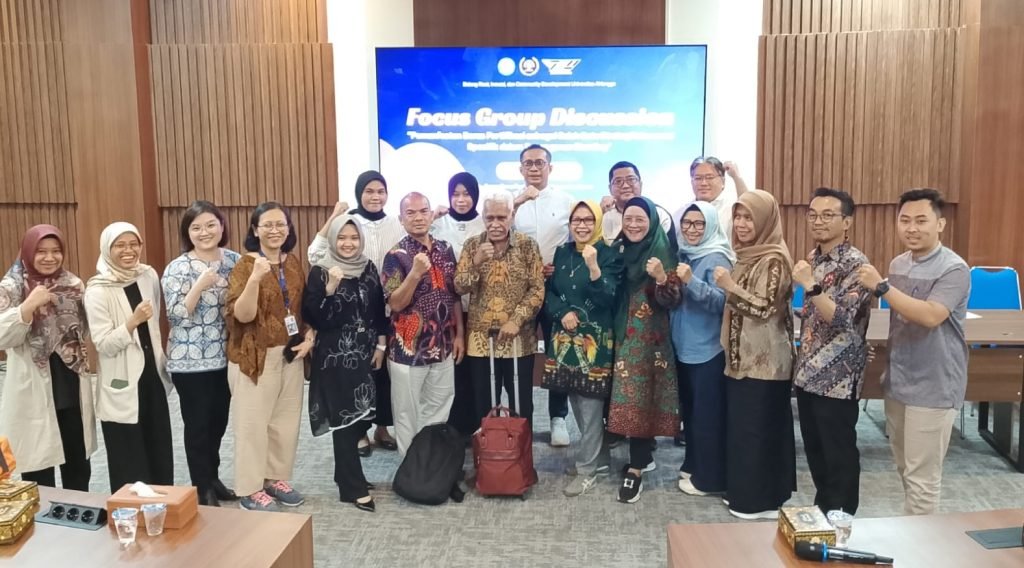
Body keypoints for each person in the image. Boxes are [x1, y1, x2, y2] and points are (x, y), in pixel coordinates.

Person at [856, 188, 969, 516]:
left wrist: (882, 287)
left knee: (922, 481)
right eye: (905, 220)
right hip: (899, 381)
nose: (912, 228)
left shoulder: (954, 268)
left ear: (940, 224)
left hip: (934, 385)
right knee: (906, 470)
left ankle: (922, 544)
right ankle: (914, 537)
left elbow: (931, 316)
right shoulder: (899, 263)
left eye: (921, 220)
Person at [713, 189, 796, 520]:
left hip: (766, 363)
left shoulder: (774, 259)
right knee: (744, 430)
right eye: (738, 217)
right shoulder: (747, 255)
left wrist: (730, 287)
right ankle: (744, 493)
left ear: (764, 221)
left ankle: (760, 501)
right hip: (741, 360)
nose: (741, 224)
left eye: (749, 217)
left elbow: (764, 308)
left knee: (759, 431)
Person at [227, 202, 314, 512]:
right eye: (267, 224)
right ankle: (249, 489)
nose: (275, 230)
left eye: (281, 224)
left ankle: (274, 478)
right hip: (255, 355)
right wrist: (254, 278)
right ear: (255, 230)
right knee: (252, 424)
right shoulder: (245, 265)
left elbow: (302, 308)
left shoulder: (292, 263)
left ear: (289, 229)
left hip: (290, 353)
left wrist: (310, 336)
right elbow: (241, 314)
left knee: (284, 422)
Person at [309, 171, 403, 454]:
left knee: (383, 376)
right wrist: (334, 215)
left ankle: (382, 428)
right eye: (369, 191)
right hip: (348, 308)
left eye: (380, 191)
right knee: (357, 378)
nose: (375, 196)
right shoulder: (348, 220)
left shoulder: (395, 223)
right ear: (359, 193)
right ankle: (359, 432)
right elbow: (315, 254)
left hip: (385, 307)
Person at [791, 188, 872, 515]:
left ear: (847, 222)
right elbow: (814, 314)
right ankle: (824, 513)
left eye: (828, 215)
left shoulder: (857, 265)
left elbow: (842, 319)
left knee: (838, 455)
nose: (818, 221)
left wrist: (810, 286)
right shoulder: (814, 258)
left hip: (838, 379)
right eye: (813, 214)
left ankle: (842, 519)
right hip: (808, 373)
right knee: (816, 453)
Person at [302, 214, 386, 513]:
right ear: (332, 239)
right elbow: (314, 317)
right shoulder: (321, 271)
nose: (348, 243)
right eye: (341, 237)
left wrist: (381, 345)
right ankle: (352, 487)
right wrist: (330, 290)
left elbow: (378, 310)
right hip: (336, 356)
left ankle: (345, 475)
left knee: (363, 415)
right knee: (345, 419)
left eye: (353, 237)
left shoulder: (368, 267)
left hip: (365, 352)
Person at [0, 225, 94, 491]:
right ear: (29, 252)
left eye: (56, 251)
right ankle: (43, 515)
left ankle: (78, 512)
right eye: (41, 251)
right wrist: (28, 306)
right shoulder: (11, 287)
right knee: (38, 467)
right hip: (33, 383)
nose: (49, 258)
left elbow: (84, 329)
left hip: (70, 380)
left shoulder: (73, 285)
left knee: (77, 463)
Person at [161, 201, 240, 506]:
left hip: (225, 358)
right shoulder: (178, 267)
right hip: (189, 362)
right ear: (187, 233)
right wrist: (199, 285)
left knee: (218, 422)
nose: (204, 232)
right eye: (196, 228)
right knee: (198, 426)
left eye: (210, 225)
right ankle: (201, 486)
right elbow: (176, 315)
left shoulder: (234, 261)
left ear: (222, 226)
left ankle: (213, 478)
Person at [84, 222, 174, 492]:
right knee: (128, 455)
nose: (129, 251)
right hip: (121, 380)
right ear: (107, 248)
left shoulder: (147, 275)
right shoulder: (97, 290)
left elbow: (155, 320)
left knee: (159, 448)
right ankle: (131, 509)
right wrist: (132, 322)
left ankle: (163, 504)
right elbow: (103, 344)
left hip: (151, 375)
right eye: (120, 245)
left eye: (134, 244)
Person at [542, 200, 622, 497]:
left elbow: (608, 298)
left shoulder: (609, 254)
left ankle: (587, 470)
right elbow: (550, 292)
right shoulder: (562, 252)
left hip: (594, 341)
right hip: (564, 339)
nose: (582, 225)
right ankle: (600, 461)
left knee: (591, 407)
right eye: (577, 220)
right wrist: (561, 311)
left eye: (589, 220)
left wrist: (594, 267)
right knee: (576, 399)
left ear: (598, 222)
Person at [609, 196, 682, 504]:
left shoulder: (662, 251)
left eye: (640, 219)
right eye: (628, 219)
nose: (634, 225)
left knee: (640, 398)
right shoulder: (618, 249)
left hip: (647, 339)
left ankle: (636, 468)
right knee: (622, 398)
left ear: (651, 221)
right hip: (618, 334)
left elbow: (673, 300)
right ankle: (643, 456)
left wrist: (662, 277)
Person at [455, 190, 544, 430]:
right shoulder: (472, 245)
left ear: (512, 216)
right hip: (481, 342)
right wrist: (476, 262)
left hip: (519, 339)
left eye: (501, 218)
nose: (495, 224)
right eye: (490, 218)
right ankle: (488, 450)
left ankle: (520, 451)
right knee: (483, 405)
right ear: (483, 217)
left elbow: (537, 289)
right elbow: (459, 287)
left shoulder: (527, 246)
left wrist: (516, 320)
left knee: (521, 405)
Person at [382, 193, 463, 455]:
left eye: (423, 211)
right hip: (408, 351)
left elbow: (453, 296)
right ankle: (411, 467)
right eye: (411, 213)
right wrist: (415, 274)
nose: (418, 217)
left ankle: (432, 465)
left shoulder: (445, 249)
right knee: (407, 413)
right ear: (401, 219)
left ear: (431, 214)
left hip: (443, 345)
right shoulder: (395, 255)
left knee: (440, 408)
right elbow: (395, 303)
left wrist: (459, 335)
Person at [511, 144, 575, 446]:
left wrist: (559, 266)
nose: (534, 168)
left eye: (540, 163)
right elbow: (497, 233)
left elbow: (578, 239)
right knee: (520, 352)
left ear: (550, 167)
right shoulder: (511, 201)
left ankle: (557, 417)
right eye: (528, 163)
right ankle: (519, 416)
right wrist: (517, 202)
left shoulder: (566, 201)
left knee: (556, 351)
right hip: (519, 289)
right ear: (521, 169)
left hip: (554, 286)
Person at [669, 201, 734, 497]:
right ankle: (694, 464)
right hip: (684, 349)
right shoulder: (685, 254)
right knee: (692, 415)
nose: (691, 229)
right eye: (687, 223)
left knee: (708, 418)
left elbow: (723, 303)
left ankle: (710, 479)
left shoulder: (717, 256)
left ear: (710, 226)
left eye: (699, 224)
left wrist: (691, 281)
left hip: (708, 350)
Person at [430, 172, 485, 437]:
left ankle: (475, 427)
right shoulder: (438, 224)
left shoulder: (485, 223)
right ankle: (451, 428)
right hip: (447, 308)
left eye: (466, 194)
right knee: (451, 367)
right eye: (455, 194)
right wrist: (431, 217)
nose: (461, 200)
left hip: (479, 307)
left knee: (475, 370)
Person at [675, 156, 750, 240]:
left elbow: (749, 208)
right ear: (692, 182)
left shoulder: (731, 209)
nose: (703, 183)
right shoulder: (680, 213)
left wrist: (736, 177)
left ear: (723, 181)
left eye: (709, 177)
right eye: (698, 178)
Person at [600, 161, 673, 242]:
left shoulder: (659, 214)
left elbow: (668, 248)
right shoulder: (603, 215)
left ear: (640, 185)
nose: (625, 186)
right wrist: (599, 214)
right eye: (618, 181)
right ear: (610, 188)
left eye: (631, 179)